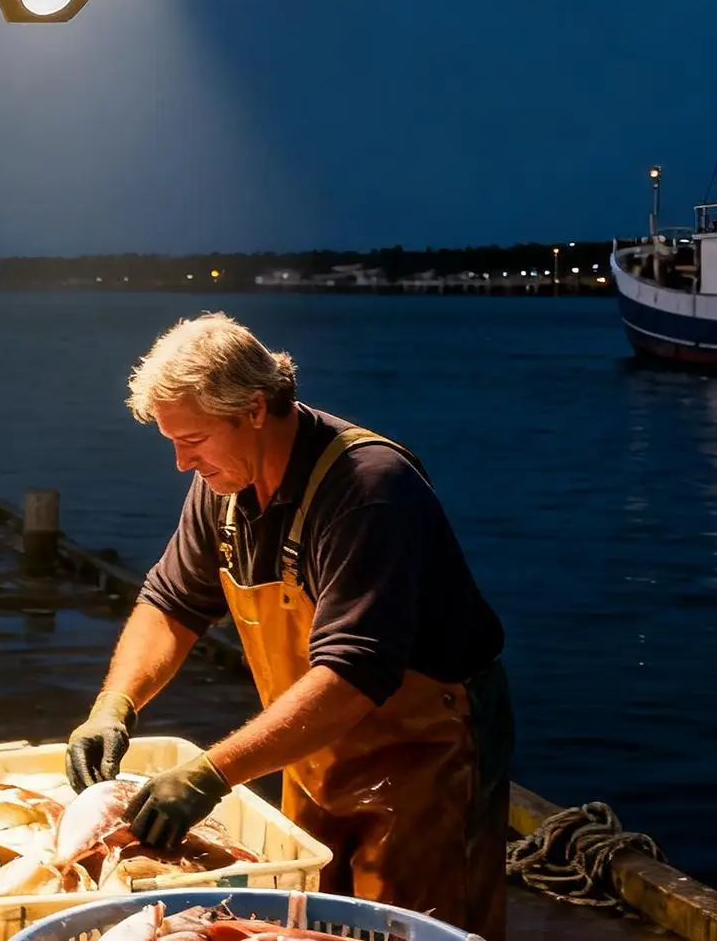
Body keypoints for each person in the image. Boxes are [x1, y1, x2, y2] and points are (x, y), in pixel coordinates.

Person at [66, 314, 512, 940]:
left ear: (253, 409)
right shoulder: (222, 487)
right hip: (309, 748)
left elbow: (355, 672)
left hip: (425, 753)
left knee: (410, 925)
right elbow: (171, 603)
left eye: (192, 439)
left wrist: (210, 774)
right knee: (312, 921)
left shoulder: (369, 489)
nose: (179, 462)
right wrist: (115, 704)